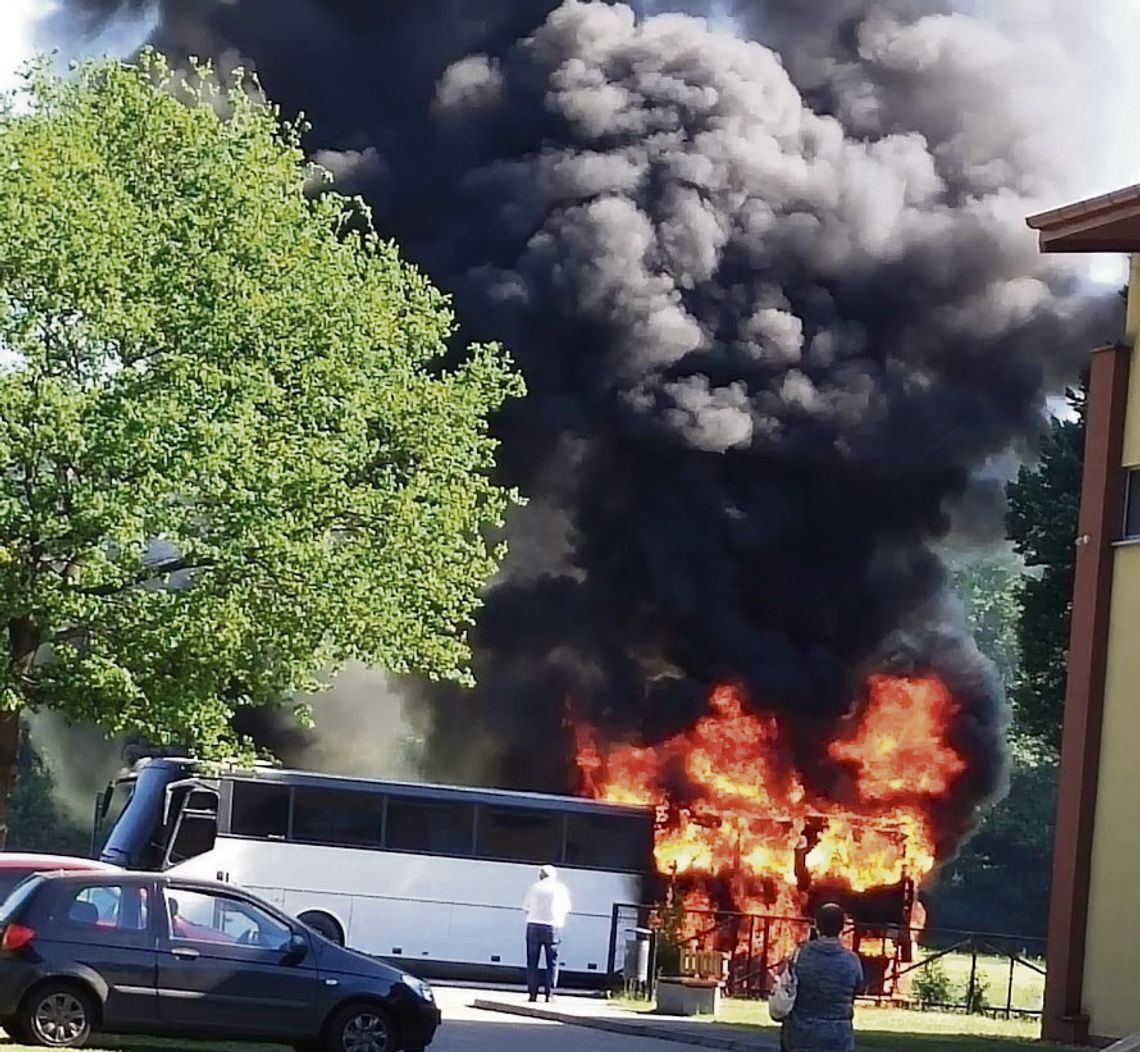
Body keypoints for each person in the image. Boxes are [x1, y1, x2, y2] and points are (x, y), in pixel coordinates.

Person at [780, 903, 865, 1052]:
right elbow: (857, 988)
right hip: (838, 1037)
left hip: (800, 1034)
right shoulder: (852, 961)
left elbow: (788, 984)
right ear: (842, 927)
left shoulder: (799, 955)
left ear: (816, 925)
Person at [522, 864, 572, 1002]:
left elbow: (526, 907)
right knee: (552, 962)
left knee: (532, 962)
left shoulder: (534, 887)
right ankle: (549, 995)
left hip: (533, 926)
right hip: (552, 927)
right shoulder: (560, 888)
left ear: (541, 875)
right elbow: (567, 907)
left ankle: (532, 994)